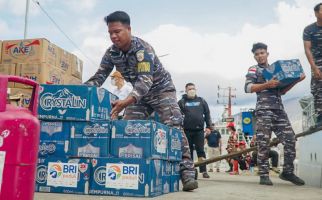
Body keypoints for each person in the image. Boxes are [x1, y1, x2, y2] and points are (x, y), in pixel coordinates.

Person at [84, 11, 198, 191]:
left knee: (174, 125)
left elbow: (146, 81)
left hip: (161, 91)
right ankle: (130, 170)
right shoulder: (111, 53)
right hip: (139, 96)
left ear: (129, 29)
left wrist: (124, 102)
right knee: (128, 127)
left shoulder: (142, 50)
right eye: (110, 33)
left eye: (118, 31)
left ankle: (187, 173)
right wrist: (83, 90)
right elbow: (99, 76)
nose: (114, 36)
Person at [244, 42, 305, 186]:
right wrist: (266, 84)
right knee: (263, 144)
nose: (260, 56)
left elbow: (282, 91)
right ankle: (264, 175)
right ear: (254, 56)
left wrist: (297, 80)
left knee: (290, 140)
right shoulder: (254, 70)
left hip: (279, 110)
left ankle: (287, 172)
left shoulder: (276, 70)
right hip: (264, 110)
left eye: (262, 53)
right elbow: (247, 88)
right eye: (257, 54)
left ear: (267, 53)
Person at [178, 83, 212, 178]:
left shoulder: (201, 101)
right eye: (189, 89)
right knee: (188, 151)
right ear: (186, 90)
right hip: (186, 131)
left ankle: (203, 170)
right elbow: (177, 116)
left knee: (200, 150)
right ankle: (191, 170)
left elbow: (207, 114)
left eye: (193, 88)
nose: (192, 90)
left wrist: (209, 127)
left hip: (199, 130)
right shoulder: (181, 102)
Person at [303, 3, 322, 127]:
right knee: (318, 90)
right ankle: (320, 117)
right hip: (318, 62)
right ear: (316, 13)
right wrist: (314, 67)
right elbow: (307, 49)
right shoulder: (309, 29)